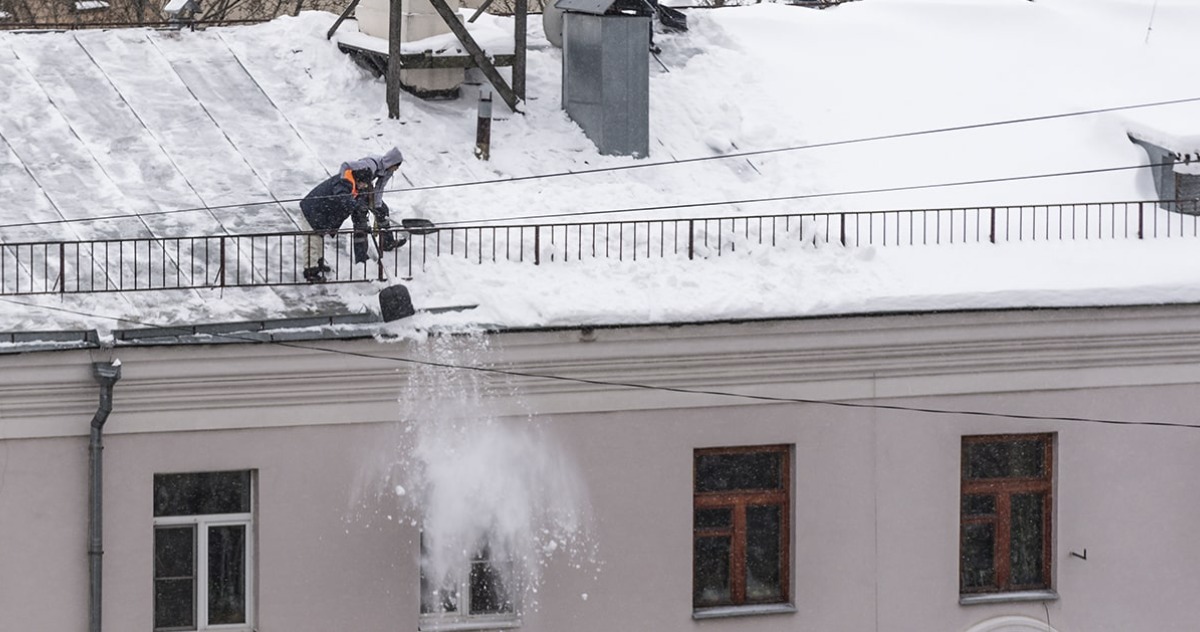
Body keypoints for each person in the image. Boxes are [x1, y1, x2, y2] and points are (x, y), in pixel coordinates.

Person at [298, 146, 405, 283]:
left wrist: (372, 206)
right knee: (312, 241)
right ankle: (310, 272)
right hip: (311, 212)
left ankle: (318, 264)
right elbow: (343, 197)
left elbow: (359, 197)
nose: (365, 188)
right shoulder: (345, 183)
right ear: (359, 180)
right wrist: (357, 205)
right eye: (364, 185)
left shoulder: (353, 186)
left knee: (318, 239)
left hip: (319, 213)